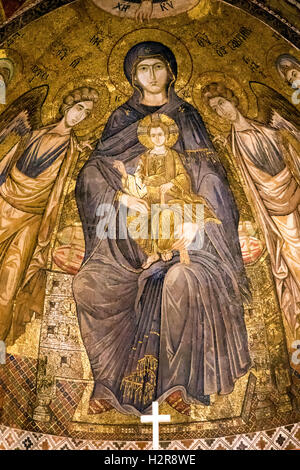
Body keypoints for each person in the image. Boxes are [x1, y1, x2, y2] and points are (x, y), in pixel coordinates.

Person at [73, 42, 251, 415]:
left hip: (187, 237)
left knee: (177, 281)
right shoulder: (121, 119)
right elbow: (92, 173)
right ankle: (107, 384)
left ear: (171, 70)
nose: (151, 76)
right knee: (88, 285)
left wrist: (196, 224)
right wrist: (121, 199)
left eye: (157, 67)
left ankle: (178, 383)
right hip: (126, 240)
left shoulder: (186, 116)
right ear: (132, 77)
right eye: (142, 69)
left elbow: (212, 179)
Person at [0, 86, 99, 344]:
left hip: (33, 219)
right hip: (5, 206)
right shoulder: (34, 134)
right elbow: (7, 165)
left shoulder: (71, 148)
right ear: (67, 107)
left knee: (10, 283)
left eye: (86, 113)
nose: (80, 116)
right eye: (79, 108)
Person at [202, 81, 300, 334]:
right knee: (291, 257)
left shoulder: (268, 128)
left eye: (222, 104)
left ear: (234, 100)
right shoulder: (230, 144)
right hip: (272, 212)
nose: (221, 111)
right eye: (215, 110)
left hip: (294, 197)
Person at [113, 113, 220, 268]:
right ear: (149, 137)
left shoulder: (173, 155)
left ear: (166, 135)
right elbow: (138, 178)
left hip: (170, 196)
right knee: (135, 218)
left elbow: (184, 176)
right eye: (153, 135)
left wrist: (172, 183)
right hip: (150, 196)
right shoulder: (145, 157)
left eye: (160, 134)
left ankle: (166, 248)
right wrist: (124, 174)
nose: (157, 138)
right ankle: (152, 253)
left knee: (166, 216)